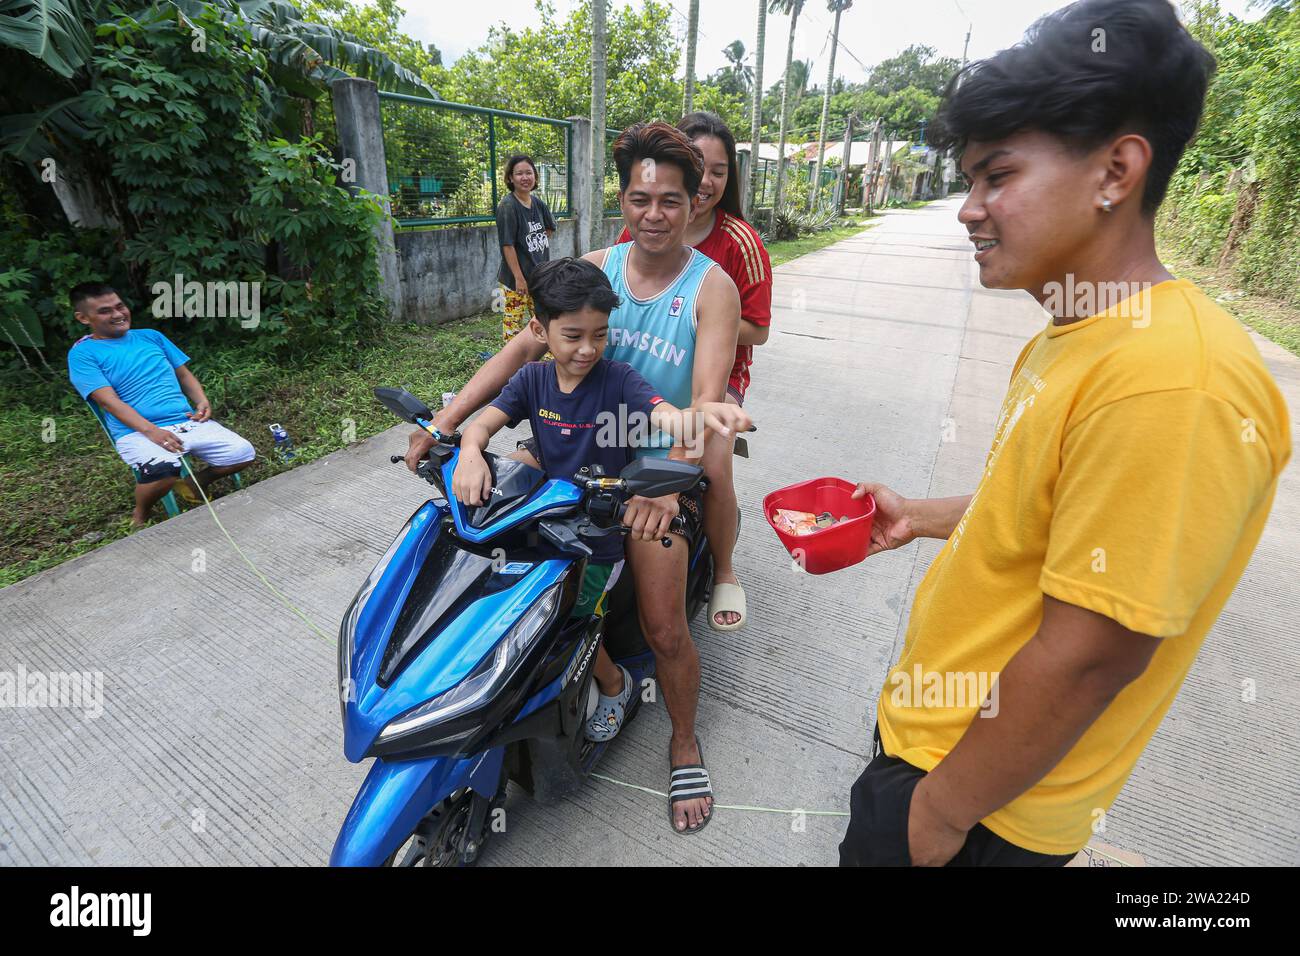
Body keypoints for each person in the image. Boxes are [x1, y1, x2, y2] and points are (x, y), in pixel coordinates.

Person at [839, 0, 1291, 867]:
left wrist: (936, 816)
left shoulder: (1171, 380)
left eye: (997, 175)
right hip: (939, 750)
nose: (969, 209)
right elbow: (1062, 515)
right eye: (968, 179)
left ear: (1116, 170)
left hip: (982, 811)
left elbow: (1091, 656)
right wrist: (926, 517)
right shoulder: (1079, 333)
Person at [408, 122, 741, 834]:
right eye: (641, 197)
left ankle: (683, 740)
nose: (655, 213)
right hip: (572, 458)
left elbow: (707, 401)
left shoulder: (712, 288)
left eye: (671, 200)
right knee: (484, 548)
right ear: (622, 198)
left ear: (695, 204)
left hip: (651, 472)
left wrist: (671, 483)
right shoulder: (592, 272)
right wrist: (446, 426)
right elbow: (516, 362)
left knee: (663, 625)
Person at [451, 257, 751, 743]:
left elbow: (667, 417)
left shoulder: (619, 380)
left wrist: (702, 416)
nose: (588, 349)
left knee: (562, 617)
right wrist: (468, 448)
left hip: (597, 538)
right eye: (573, 336)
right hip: (549, 520)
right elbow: (489, 420)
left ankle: (614, 684)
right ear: (539, 330)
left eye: (600, 334)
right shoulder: (532, 381)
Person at [616, 111, 773, 631]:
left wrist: (710, 326)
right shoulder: (633, 233)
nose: (707, 181)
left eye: (719, 171)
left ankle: (724, 569)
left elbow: (760, 327)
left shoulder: (739, 245)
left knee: (714, 460)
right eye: (699, 166)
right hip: (651, 366)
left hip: (721, 374)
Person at [66, 282, 256, 526]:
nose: (118, 314)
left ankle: (195, 482)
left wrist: (201, 399)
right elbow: (108, 402)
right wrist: (152, 431)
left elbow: (184, 374)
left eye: (120, 306)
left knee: (244, 453)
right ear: (83, 317)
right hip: (136, 431)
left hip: (185, 419)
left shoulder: (151, 337)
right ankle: (141, 514)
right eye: (105, 311)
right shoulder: (83, 354)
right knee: (163, 473)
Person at [495, 154, 557, 343]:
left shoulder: (538, 203)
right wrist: (519, 278)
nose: (525, 177)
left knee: (541, 320)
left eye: (529, 173)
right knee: (513, 326)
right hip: (515, 281)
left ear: (535, 177)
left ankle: (541, 360)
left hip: (538, 277)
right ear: (510, 178)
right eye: (519, 173)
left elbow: (549, 227)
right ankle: (512, 366)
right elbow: (508, 245)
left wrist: (534, 243)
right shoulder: (507, 206)